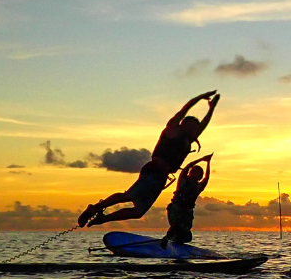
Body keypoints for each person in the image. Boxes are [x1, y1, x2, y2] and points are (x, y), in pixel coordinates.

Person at [79, 91, 220, 227]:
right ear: (185, 125)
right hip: (153, 171)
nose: (196, 130)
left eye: (196, 128)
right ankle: (95, 208)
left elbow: (204, 124)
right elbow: (184, 110)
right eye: (193, 127)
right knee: (129, 196)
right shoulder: (173, 130)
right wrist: (200, 97)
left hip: (162, 177)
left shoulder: (188, 140)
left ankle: (103, 219)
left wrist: (211, 109)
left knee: (139, 211)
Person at [161, 154, 213, 246]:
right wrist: (201, 159)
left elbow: (207, 178)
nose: (193, 172)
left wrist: (208, 163)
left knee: (185, 232)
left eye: (196, 172)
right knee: (176, 227)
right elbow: (187, 166)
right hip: (175, 208)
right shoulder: (183, 180)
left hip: (187, 212)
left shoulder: (198, 187)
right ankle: (167, 240)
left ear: (199, 176)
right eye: (192, 170)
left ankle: (176, 244)